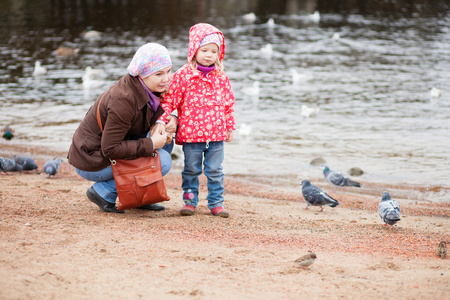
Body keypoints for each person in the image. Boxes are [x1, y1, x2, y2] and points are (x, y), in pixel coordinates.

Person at [68, 43, 177, 213]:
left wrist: (168, 122)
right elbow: (110, 149)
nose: (167, 78)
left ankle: (140, 195)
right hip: (91, 159)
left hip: (106, 151)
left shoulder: (149, 88)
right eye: (159, 73)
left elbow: (152, 117)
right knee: (163, 160)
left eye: (169, 71)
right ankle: (102, 192)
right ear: (143, 73)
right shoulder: (123, 100)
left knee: (166, 143)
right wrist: (150, 143)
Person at [156, 23, 236, 218]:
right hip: (192, 135)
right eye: (204, 50)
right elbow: (170, 100)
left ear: (219, 53)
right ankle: (190, 201)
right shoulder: (184, 75)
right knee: (191, 170)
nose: (209, 55)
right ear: (194, 49)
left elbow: (228, 103)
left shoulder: (221, 77)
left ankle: (216, 203)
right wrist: (161, 120)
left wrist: (229, 126)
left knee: (215, 170)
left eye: (213, 51)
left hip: (216, 134)